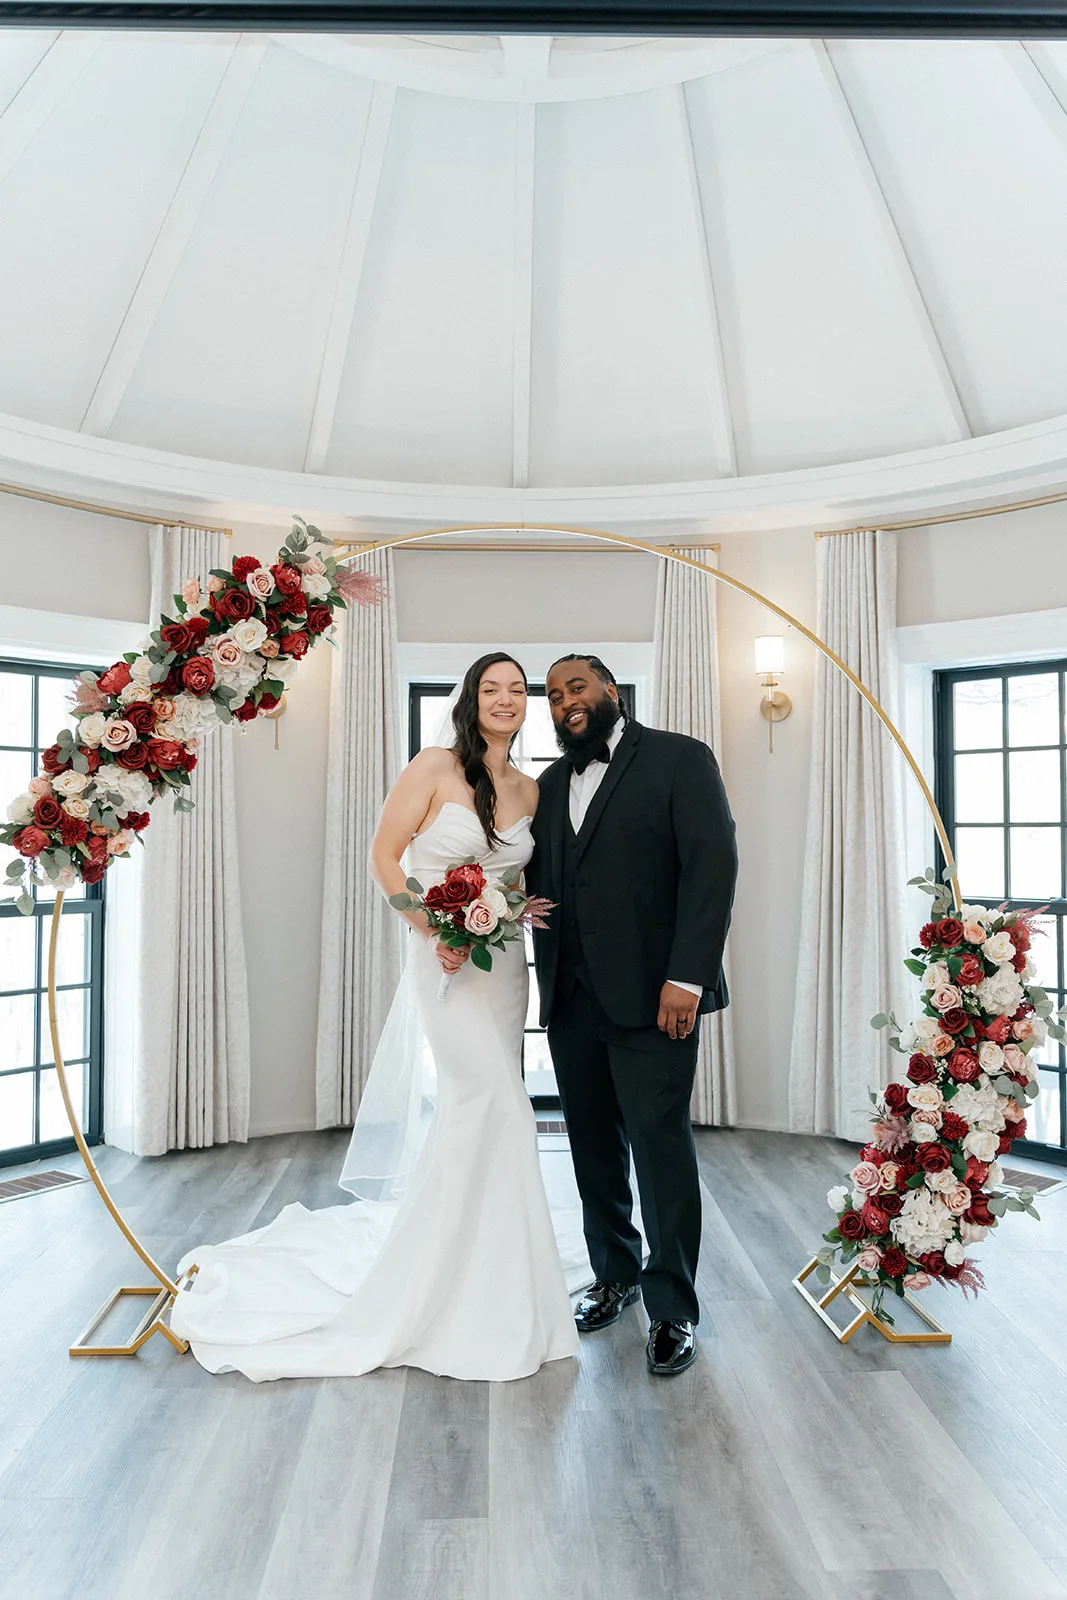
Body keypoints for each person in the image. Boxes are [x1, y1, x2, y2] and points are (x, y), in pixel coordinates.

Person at [170, 652, 579, 1382]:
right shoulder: (434, 766)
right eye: (491, 688)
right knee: (492, 1105)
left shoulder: (531, 788)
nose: (506, 699)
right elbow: (384, 858)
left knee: (486, 1115)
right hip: (443, 963)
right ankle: (440, 1286)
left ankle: (495, 1277)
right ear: (470, 699)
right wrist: (433, 928)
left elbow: (517, 882)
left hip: (502, 969)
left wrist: (505, 912)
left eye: (518, 690)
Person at [528, 654, 737, 1377]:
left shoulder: (680, 758)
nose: (565, 701)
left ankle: (672, 1307)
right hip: (570, 998)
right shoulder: (548, 785)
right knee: (591, 1145)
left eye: (577, 686)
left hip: (657, 998)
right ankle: (612, 1275)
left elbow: (712, 868)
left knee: (659, 1147)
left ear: (610, 692)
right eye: (553, 695)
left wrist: (686, 978)